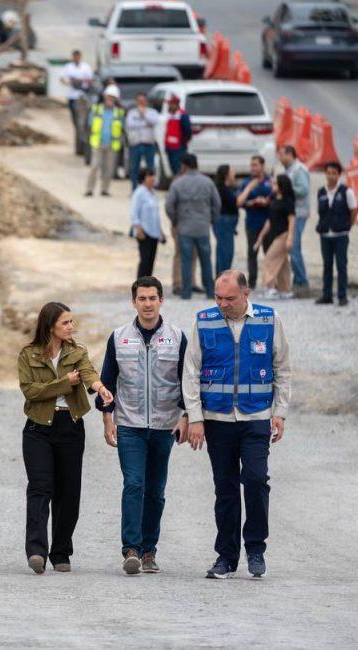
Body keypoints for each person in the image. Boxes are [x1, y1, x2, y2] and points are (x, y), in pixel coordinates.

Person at [182, 270, 292, 579]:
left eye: (229, 298)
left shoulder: (269, 320)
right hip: (217, 421)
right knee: (225, 489)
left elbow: (282, 367)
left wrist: (279, 412)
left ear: (247, 294)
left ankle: (255, 548)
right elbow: (191, 371)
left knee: (256, 481)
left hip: (256, 418)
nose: (223, 304)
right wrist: (196, 417)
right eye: (218, 297)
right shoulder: (204, 320)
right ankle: (225, 558)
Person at [96, 276, 188, 575]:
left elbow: (189, 384)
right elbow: (107, 382)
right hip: (130, 425)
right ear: (133, 302)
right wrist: (107, 418)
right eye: (142, 299)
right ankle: (131, 550)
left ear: (161, 300)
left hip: (165, 425)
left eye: (152, 298)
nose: (147, 304)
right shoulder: (119, 337)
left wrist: (187, 417)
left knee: (156, 490)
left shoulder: (177, 337)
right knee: (134, 484)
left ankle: (149, 550)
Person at [17, 302, 114, 574]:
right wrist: (62, 384)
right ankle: (36, 550)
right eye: (65, 323)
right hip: (38, 427)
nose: (71, 327)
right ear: (50, 327)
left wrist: (100, 388)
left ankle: (61, 551)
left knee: (69, 491)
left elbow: (88, 374)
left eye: (71, 322)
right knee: (40, 487)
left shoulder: (77, 352)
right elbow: (31, 391)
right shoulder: (28, 355)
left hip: (70, 426)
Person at [165, 154, 220, 299]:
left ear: (184, 166)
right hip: (202, 227)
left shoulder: (178, 183)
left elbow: (169, 205)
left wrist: (176, 220)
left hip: (184, 228)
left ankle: (186, 292)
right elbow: (217, 203)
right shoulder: (208, 182)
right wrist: (211, 219)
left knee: (186, 260)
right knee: (206, 260)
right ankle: (209, 291)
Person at [315, 162, 358, 306]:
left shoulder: (347, 192)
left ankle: (342, 295)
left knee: (341, 265)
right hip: (325, 235)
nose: (331, 176)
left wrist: (347, 226)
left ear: (338, 175)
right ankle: (327, 295)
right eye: (328, 173)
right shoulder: (321, 192)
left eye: (334, 173)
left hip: (341, 235)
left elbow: (353, 211)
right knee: (327, 265)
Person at [254, 174, 296, 299]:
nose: (272, 186)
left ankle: (270, 287)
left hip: (283, 235)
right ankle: (285, 289)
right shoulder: (273, 199)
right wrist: (261, 236)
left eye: (275, 184)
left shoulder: (288, 202)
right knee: (283, 263)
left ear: (281, 186)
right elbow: (269, 220)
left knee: (269, 258)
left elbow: (292, 220)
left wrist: (290, 238)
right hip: (275, 234)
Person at [236, 156, 272, 290]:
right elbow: (238, 202)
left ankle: (270, 283)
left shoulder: (270, 181)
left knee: (269, 253)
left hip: (267, 224)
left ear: (262, 166)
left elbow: (277, 198)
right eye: (251, 165)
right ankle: (252, 283)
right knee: (252, 254)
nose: (253, 168)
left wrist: (267, 202)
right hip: (252, 223)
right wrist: (250, 203)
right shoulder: (246, 183)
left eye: (255, 165)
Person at [277, 146, 310, 292]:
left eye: (282, 154)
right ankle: (298, 279)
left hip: (299, 212)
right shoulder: (290, 170)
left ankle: (302, 281)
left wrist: (285, 190)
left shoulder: (298, 170)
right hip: (293, 213)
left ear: (290, 154)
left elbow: (303, 190)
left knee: (294, 247)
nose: (279, 157)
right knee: (294, 248)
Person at [85, 86, 124, 198]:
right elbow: (89, 124)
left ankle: (104, 189)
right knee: (94, 166)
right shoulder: (96, 109)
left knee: (109, 168)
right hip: (98, 143)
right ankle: (89, 189)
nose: (110, 99)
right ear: (104, 96)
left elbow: (122, 127)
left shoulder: (119, 112)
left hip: (112, 144)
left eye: (113, 97)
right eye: (109, 97)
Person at [130, 167, 167, 278]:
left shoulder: (153, 193)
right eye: (149, 176)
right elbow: (134, 213)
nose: (152, 178)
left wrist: (161, 232)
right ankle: (140, 286)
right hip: (144, 232)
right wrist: (138, 228)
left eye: (153, 175)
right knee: (144, 261)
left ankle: (148, 286)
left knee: (151, 262)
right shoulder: (139, 193)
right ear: (143, 178)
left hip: (154, 232)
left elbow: (155, 215)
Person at [60, 50, 93, 156]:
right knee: (76, 123)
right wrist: (70, 81)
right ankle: (79, 143)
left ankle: (83, 145)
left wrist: (81, 81)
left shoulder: (86, 67)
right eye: (74, 56)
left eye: (78, 56)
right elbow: (62, 79)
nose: (76, 58)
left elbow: (90, 80)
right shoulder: (68, 67)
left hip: (82, 97)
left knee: (82, 123)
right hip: (72, 97)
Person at [125, 92, 159, 189]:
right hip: (136, 143)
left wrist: (144, 114)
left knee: (150, 167)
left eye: (143, 101)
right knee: (134, 167)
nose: (141, 103)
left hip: (149, 143)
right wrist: (144, 124)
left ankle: (149, 187)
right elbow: (130, 125)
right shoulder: (132, 113)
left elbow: (153, 122)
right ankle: (135, 188)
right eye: (139, 101)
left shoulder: (152, 112)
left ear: (146, 102)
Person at [213, 164, 240, 276]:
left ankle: (221, 279)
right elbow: (236, 202)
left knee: (225, 252)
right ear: (226, 175)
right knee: (225, 253)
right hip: (224, 223)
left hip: (228, 224)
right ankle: (222, 280)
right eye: (232, 171)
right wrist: (250, 188)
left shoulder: (229, 188)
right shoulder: (222, 189)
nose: (234, 173)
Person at [161, 94, 192, 176]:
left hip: (179, 148)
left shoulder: (182, 115)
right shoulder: (170, 115)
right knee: (173, 169)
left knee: (179, 169)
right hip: (170, 147)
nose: (169, 106)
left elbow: (187, 131)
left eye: (171, 104)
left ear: (176, 104)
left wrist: (183, 143)